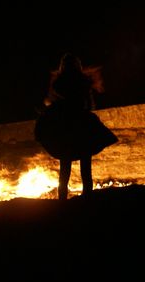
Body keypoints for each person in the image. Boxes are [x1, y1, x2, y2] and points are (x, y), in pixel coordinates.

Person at [34, 53, 118, 200]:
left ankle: (62, 201)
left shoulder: (58, 83)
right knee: (86, 166)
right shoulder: (84, 82)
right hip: (82, 125)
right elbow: (89, 104)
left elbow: (51, 103)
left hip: (65, 127)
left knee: (65, 166)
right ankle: (87, 198)